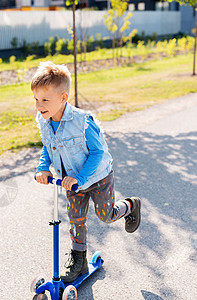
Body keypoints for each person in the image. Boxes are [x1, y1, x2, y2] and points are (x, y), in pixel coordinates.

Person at [33, 61, 141, 283]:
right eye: (36, 99)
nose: (39, 105)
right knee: (75, 219)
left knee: (106, 216)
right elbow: (48, 146)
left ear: (63, 98)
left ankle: (130, 205)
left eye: (45, 100)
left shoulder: (83, 122)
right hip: (71, 182)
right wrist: (43, 167)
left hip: (97, 177)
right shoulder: (44, 121)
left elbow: (98, 152)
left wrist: (80, 178)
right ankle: (79, 261)